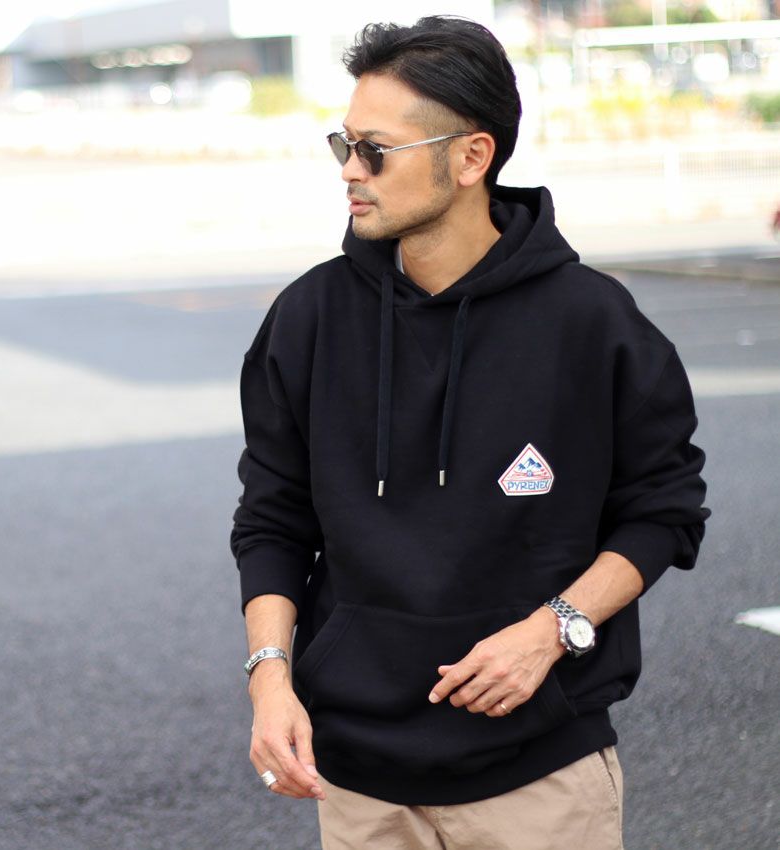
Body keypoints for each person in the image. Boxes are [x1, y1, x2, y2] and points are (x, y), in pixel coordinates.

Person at [230, 15, 710, 850]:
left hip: (541, 777)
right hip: (359, 784)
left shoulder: (591, 322)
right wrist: (269, 680)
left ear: (470, 157)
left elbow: (664, 510)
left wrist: (552, 629)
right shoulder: (308, 319)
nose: (350, 170)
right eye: (343, 144)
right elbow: (273, 521)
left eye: (376, 150)